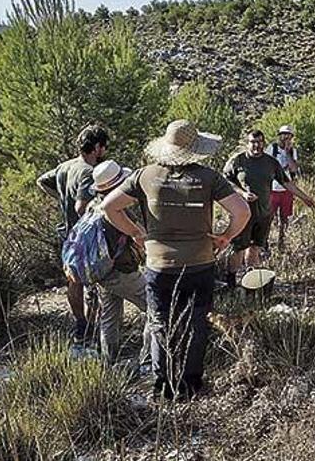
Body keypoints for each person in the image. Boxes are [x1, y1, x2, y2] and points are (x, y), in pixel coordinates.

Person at [101, 119, 250, 399]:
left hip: (159, 266)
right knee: (196, 322)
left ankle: (164, 384)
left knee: (160, 322)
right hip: (199, 262)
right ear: (196, 150)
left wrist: (136, 233)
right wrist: (225, 237)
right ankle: (191, 383)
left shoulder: (144, 176)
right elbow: (241, 212)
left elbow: (109, 207)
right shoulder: (209, 178)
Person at [36, 124, 109, 341]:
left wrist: (60, 197)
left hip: (68, 233)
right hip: (86, 237)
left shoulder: (64, 167)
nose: (105, 151)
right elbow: (80, 206)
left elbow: (41, 181)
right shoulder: (88, 172)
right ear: (96, 147)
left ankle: (80, 324)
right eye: (104, 146)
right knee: (96, 280)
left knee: (73, 280)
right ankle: (91, 328)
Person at [223, 130, 315, 285]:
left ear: (264, 143)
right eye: (253, 142)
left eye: (259, 142)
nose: (256, 145)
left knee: (255, 247)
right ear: (248, 143)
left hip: (264, 214)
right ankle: (231, 282)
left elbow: (286, 182)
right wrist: (242, 193)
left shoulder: (271, 162)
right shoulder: (238, 161)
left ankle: (250, 283)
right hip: (243, 213)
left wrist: (304, 197)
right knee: (238, 248)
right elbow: (226, 181)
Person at [87, 160, 151, 365]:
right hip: (123, 272)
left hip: (101, 272)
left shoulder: (93, 206)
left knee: (109, 318)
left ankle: (109, 362)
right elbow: (140, 237)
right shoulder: (117, 208)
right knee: (155, 309)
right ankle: (148, 360)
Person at [266, 125, 301, 250]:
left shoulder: (292, 151)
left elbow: (293, 168)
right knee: (269, 216)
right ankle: (265, 242)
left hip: (287, 189)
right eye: (283, 134)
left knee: (284, 217)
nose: (285, 137)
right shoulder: (272, 148)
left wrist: (287, 153)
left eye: (288, 135)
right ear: (279, 136)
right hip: (273, 189)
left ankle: (281, 241)